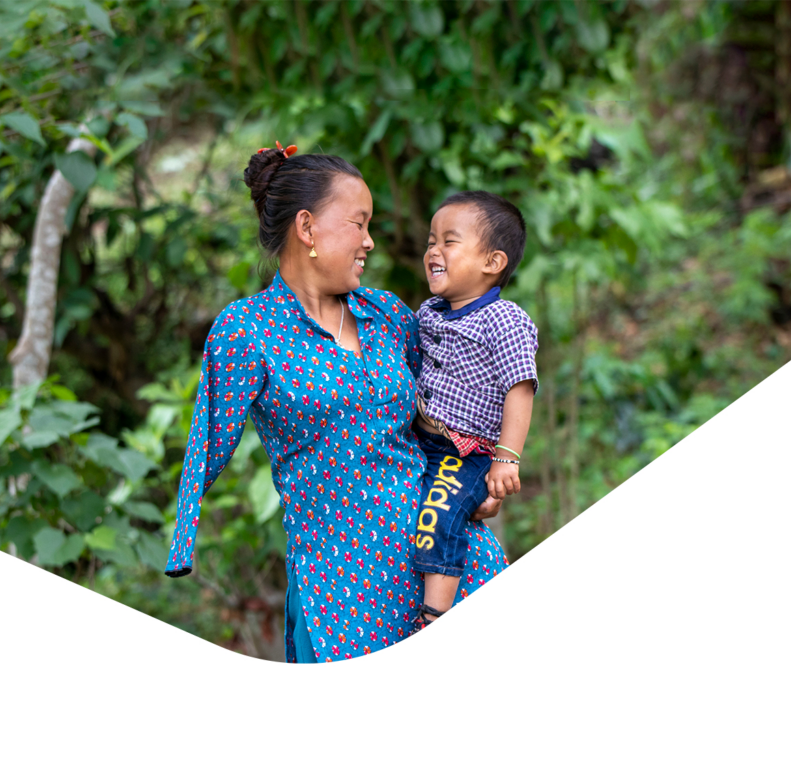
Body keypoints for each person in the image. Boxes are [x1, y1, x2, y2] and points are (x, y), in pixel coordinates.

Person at [164, 142, 508, 662]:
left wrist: (483, 467)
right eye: (359, 223)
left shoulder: (389, 314)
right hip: (343, 591)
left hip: (447, 559)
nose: (370, 241)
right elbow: (207, 438)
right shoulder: (248, 331)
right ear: (307, 229)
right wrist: (183, 540)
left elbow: (450, 402)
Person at [410, 191, 538, 630]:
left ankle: (435, 615)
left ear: (493, 262)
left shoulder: (504, 320)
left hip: (464, 451)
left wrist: (506, 458)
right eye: (431, 241)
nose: (433, 251)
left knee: (437, 514)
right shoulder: (429, 312)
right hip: (419, 438)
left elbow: (520, 388)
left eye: (449, 241)